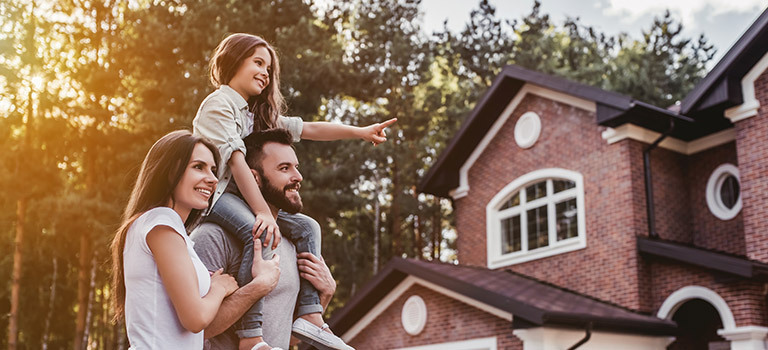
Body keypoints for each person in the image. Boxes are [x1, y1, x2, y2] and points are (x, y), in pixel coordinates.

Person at [193, 33, 394, 350]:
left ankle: (311, 316)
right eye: (258, 63)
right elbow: (236, 163)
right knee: (255, 232)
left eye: (269, 68)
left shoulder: (254, 115)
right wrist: (261, 212)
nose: (265, 72)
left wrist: (359, 132)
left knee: (307, 226)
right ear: (233, 61)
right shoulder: (218, 105)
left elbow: (309, 128)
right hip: (218, 198)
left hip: (246, 199)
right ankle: (251, 337)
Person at [110, 130, 273, 349]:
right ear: (170, 172)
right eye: (198, 167)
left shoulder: (158, 227)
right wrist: (219, 288)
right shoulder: (161, 222)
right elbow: (195, 319)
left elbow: (190, 330)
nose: (213, 179)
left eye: (214, 170)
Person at [192, 129, 339, 350]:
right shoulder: (213, 237)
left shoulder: (292, 244)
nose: (297, 177)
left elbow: (286, 338)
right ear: (254, 177)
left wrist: (324, 297)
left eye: (296, 167)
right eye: (284, 168)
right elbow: (192, 330)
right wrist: (256, 288)